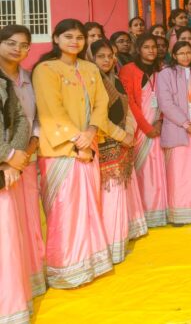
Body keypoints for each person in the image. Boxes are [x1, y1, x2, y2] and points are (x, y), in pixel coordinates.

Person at [33, 19, 112, 288]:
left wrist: (91, 132)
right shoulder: (46, 69)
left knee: (90, 207)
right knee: (65, 211)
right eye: (68, 37)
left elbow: (101, 103)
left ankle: (90, 263)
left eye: (79, 37)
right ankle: (66, 269)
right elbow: (51, 109)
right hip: (61, 151)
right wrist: (78, 141)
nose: (74, 42)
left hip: (89, 145)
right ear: (56, 38)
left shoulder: (90, 68)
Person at [0, 25, 46, 299]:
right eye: (10, 43)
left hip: (27, 157)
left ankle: (31, 279)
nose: (17, 49)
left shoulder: (29, 78)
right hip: (6, 162)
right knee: (8, 225)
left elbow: (36, 117)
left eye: (24, 45)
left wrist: (31, 145)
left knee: (29, 219)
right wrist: (9, 157)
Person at [90, 39, 144, 264]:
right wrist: (123, 136)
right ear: (91, 58)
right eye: (101, 56)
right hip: (106, 144)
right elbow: (98, 118)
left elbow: (128, 108)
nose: (107, 60)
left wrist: (129, 131)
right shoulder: (93, 81)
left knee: (120, 193)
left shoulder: (115, 79)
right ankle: (111, 246)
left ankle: (120, 239)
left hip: (122, 142)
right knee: (110, 196)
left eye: (110, 56)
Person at [156, 41, 191, 225]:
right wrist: (186, 123)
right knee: (178, 173)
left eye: (188, 52)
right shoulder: (165, 74)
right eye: (181, 53)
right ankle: (179, 214)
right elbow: (165, 103)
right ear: (174, 55)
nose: (185, 56)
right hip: (178, 130)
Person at [119, 34, 168, 227]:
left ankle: (159, 212)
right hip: (139, 129)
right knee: (143, 171)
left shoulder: (160, 69)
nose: (151, 50)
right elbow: (129, 102)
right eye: (146, 47)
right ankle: (143, 213)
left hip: (158, 127)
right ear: (138, 49)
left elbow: (165, 98)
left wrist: (160, 122)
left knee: (158, 169)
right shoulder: (128, 70)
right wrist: (146, 127)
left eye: (154, 47)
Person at [0, 47, 31, 323]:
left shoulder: (4, 82)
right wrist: (8, 155)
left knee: (7, 241)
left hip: (6, 169)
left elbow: (20, 118)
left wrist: (14, 156)